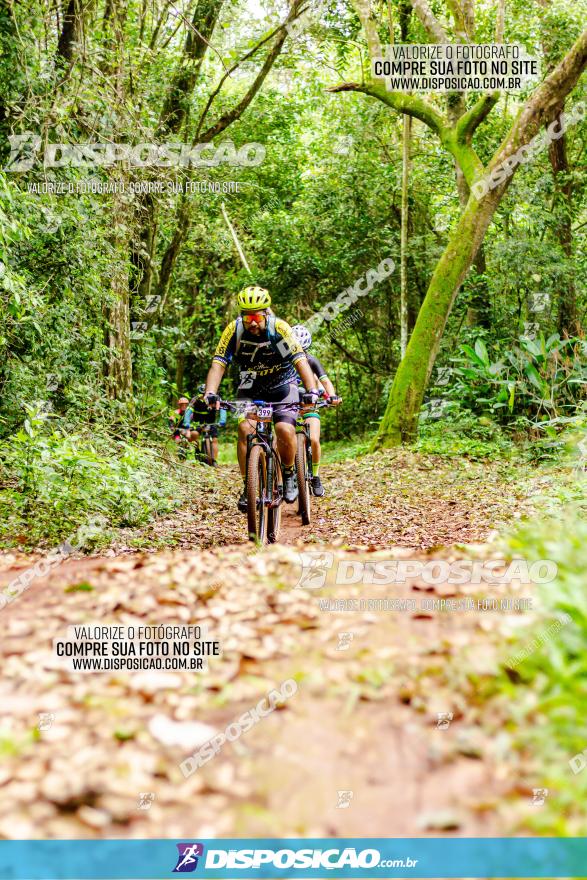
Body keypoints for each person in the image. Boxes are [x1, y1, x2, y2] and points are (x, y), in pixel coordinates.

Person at [203, 286, 320, 512]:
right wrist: (210, 392)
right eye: (247, 317)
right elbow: (218, 363)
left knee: (285, 430)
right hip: (249, 383)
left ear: (267, 313)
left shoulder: (279, 329)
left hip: (282, 383)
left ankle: (288, 473)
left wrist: (311, 389)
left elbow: (300, 360)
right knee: (246, 430)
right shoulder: (233, 331)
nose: (252, 322)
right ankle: (249, 485)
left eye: (257, 316)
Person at [290, 324, 342, 497]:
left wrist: (332, 395)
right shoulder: (282, 361)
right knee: (280, 440)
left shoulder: (312, 361)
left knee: (313, 438)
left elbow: (325, 381)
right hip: (288, 407)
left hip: (309, 406)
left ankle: (316, 476)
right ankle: (284, 479)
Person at [188, 384, 226, 466]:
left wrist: (222, 420)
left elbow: (223, 408)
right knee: (194, 435)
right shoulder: (195, 399)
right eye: (201, 394)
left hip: (211, 422)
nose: (203, 397)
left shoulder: (216, 398)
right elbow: (189, 412)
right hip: (198, 423)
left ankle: (214, 460)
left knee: (215, 439)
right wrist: (187, 422)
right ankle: (197, 451)